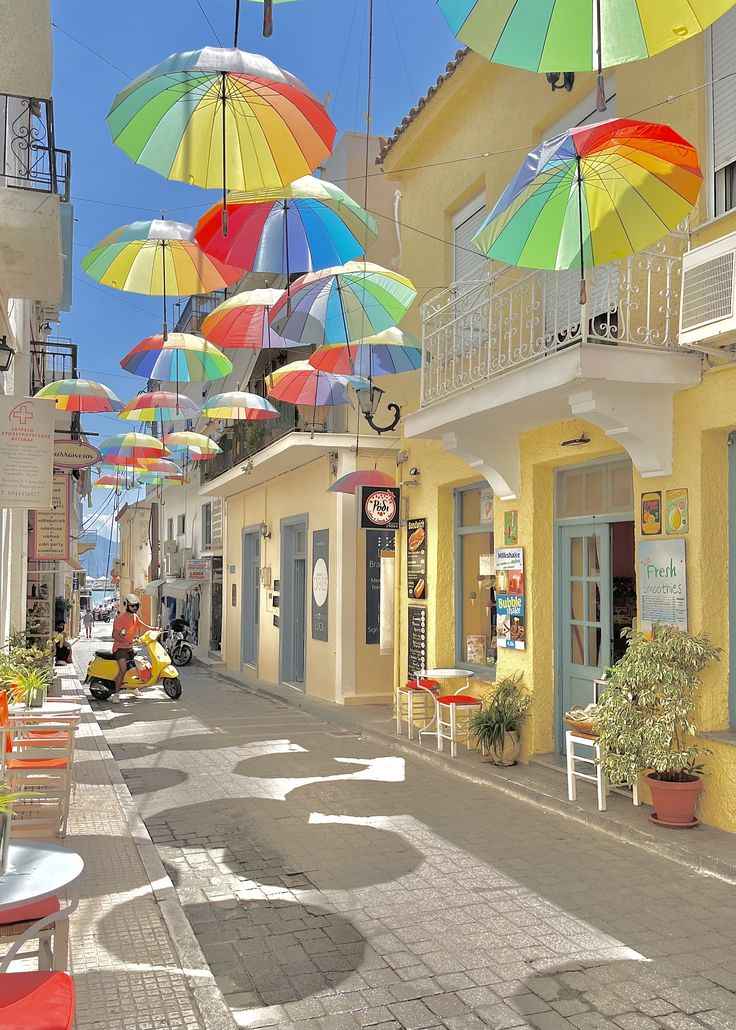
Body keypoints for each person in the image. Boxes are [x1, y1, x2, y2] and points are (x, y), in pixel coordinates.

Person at [111, 593, 155, 704]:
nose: (134, 608)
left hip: (130, 648)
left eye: (136, 606)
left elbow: (144, 625)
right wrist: (126, 641)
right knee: (123, 669)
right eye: (132, 606)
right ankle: (116, 694)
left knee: (135, 668)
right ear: (126, 605)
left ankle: (132, 688)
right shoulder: (121, 618)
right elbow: (115, 635)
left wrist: (155, 628)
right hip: (120, 649)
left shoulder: (135, 617)